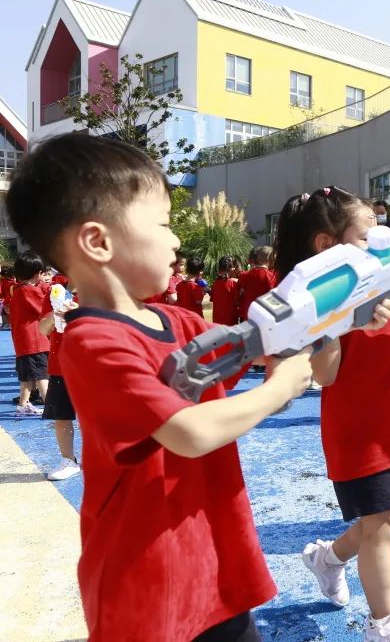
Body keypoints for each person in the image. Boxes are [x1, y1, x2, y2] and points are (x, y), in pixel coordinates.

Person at [5, 132, 316, 641]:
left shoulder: (180, 323)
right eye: (164, 224)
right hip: (147, 583)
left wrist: (341, 317)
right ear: (98, 241)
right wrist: (279, 389)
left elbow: (301, 355)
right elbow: (189, 432)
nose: (176, 241)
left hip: (215, 564)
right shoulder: (92, 341)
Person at [272, 187, 390, 642]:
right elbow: (326, 375)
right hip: (357, 429)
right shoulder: (315, 302)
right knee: (381, 522)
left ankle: (327, 558)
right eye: (368, 234)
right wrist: (343, 320)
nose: (382, 240)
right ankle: (383, 625)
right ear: (327, 246)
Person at [39, 277, 81, 481]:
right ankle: (68, 460)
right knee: (62, 415)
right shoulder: (55, 292)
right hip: (61, 364)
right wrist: (56, 314)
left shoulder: (101, 290)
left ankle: (108, 457)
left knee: (101, 416)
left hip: (94, 364)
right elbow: (43, 329)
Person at [10, 251, 51, 416]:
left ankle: (22, 405)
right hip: (35, 341)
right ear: (37, 273)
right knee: (42, 375)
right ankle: (50, 406)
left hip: (24, 343)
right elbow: (43, 307)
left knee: (27, 377)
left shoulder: (20, 290)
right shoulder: (28, 291)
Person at [238, 246, 276, 320]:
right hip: (264, 316)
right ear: (271, 259)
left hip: (248, 315)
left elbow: (240, 293)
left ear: (257, 258)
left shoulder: (244, 275)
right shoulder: (271, 276)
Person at [211, 255, 242, 326]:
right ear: (232, 269)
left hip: (217, 318)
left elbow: (213, 298)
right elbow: (237, 302)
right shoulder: (233, 283)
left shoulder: (215, 283)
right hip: (230, 319)